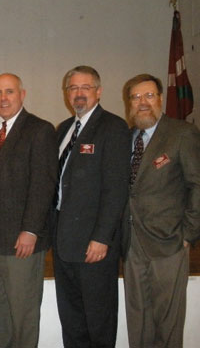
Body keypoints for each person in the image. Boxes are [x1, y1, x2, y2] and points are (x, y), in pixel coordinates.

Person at [0, 73, 58, 348]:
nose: (3, 98)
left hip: (23, 236)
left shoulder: (40, 130)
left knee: (23, 309)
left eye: (9, 92)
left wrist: (30, 230)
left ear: (22, 94)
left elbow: (44, 184)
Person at [122, 73, 200, 348]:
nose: (142, 102)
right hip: (132, 243)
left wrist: (188, 234)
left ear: (160, 99)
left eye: (148, 96)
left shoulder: (182, 133)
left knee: (168, 323)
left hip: (169, 242)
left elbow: (199, 186)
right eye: (135, 97)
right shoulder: (126, 137)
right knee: (138, 318)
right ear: (129, 103)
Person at [51, 65, 131, 347]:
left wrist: (101, 238)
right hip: (64, 243)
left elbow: (116, 189)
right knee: (71, 319)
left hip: (94, 246)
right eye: (73, 88)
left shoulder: (113, 127)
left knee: (98, 319)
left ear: (98, 91)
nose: (78, 93)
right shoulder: (63, 129)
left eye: (85, 87)